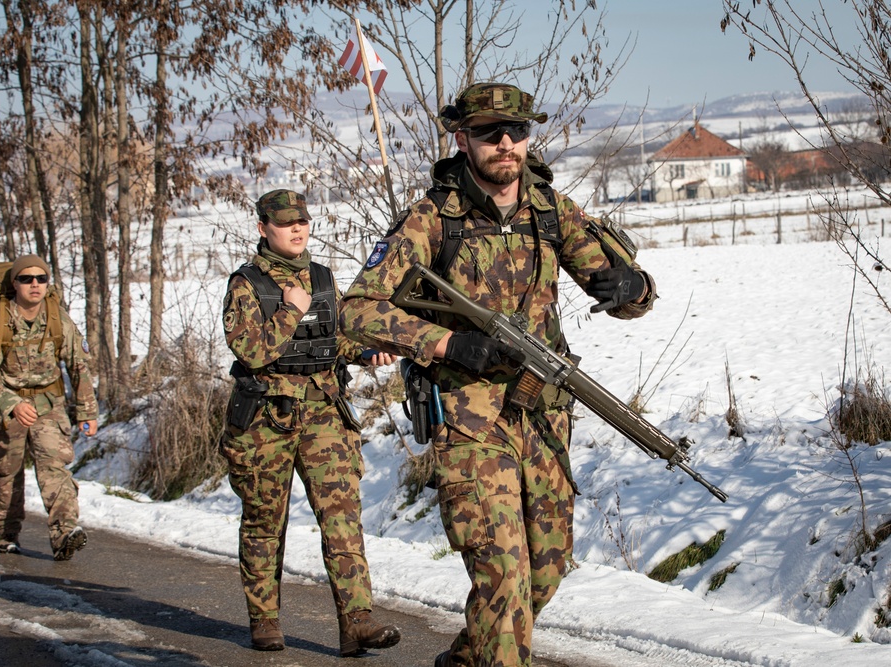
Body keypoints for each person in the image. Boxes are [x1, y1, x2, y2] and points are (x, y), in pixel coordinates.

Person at [340, 82, 658, 667]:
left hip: (541, 416)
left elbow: (619, 280)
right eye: (489, 132)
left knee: (546, 568)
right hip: (469, 423)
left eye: (515, 131)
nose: (505, 142)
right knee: (504, 574)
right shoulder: (432, 219)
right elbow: (358, 309)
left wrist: (634, 289)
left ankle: (467, 659)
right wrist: (448, 343)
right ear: (462, 137)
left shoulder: (550, 211)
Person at [219, 189, 402, 657]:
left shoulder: (321, 277)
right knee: (264, 521)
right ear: (263, 229)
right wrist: (289, 309)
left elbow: (334, 338)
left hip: (324, 413)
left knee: (342, 518)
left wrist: (363, 351)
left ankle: (356, 621)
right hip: (266, 419)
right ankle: (264, 620)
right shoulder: (246, 283)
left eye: (302, 221)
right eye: (285, 223)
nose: (297, 230)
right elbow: (253, 351)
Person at [0, 253, 98, 561]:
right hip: (8, 406)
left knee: (54, 465)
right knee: (6, 473)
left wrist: (87, 412)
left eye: (41, 279)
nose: (35, 285)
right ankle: (7, 534)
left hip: (48, 405)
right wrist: (11, 404)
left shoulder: (57, 318)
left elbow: (79, 365)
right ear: (14, 283)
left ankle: (64, 533)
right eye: (26, 279)